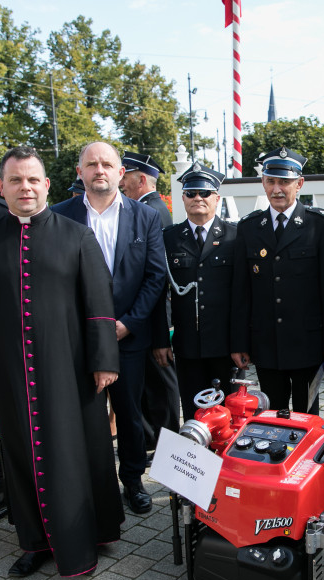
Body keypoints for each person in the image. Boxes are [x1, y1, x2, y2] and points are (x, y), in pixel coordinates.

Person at [0, 146, 123, 578]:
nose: (25, 188)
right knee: (21, 453)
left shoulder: (76, 235)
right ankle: (33, 541)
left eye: (33, 179)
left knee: (78, 451)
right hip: (13, 373)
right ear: (1, 187)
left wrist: (105, 360)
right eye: (15, 180)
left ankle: (91, 531)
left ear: (46, 184)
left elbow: (99, 305)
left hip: (71, 369)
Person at [51, 142, 166, 515]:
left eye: (107, 164)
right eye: (91, 164)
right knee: (85, 413)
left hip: (128, 336)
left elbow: (154, 276)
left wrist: (128, 323)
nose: (99, 170)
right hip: (78, 338)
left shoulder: (143, 217)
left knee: (130, 413)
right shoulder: (59, 216)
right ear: (80, 171)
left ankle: (132, 480)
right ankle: (94, 484)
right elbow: (55, 281)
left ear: (121, 172)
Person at [231, 147, 324, 414]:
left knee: (306, 418)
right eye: (271, 181)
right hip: (266, 344)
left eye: (284, 182)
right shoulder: (249, 227)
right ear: (263, 183)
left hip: (308, 345)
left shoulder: (320, 224)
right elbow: (241, 293)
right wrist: (239, 343)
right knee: (270, 416)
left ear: (299, 184)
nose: (277, 189)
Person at [154, 164, 237, 422]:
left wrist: (242, 343)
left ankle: (225, 463)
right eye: (191, 193)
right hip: (187, 345)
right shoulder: (168, 238)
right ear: (183, 198)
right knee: (193, 413)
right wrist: (160, 340)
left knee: (229, 415)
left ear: (217, 198)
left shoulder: (235, 236)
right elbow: (158, 294)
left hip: (226, 346)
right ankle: (197, 461)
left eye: (205, 192)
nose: (198, 198)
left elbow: (244, 296)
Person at [120, 151, 182, 451]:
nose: (122, 185)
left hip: (157, 314)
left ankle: (168, 442)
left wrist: (163, 328)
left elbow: (159, 277)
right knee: (149, 383)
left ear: (141, 179)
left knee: (162, 382)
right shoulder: (147, 208)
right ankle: (152, 439)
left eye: (126, 179)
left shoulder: (152, 211)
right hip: (144, 314)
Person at [121, 151, 172, 226]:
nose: (120, 183)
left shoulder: (142, 211)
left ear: (141, 180)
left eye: (124, 178)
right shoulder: (158, 205)